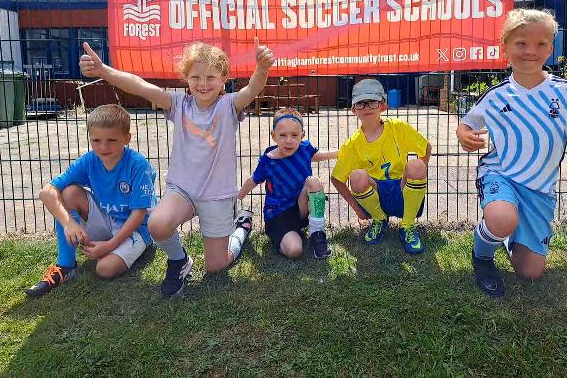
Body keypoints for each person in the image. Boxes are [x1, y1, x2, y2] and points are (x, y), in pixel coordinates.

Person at [79, 39, 275, 297]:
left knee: (216, 266)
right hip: (182, 190)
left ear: (224, 79)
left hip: (217, 195)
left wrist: (261, 68)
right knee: (157, 224)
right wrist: (104, 71)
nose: (203, 84)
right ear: (186, 78)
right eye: (195, 77)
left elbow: (252, 90)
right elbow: (141, 86)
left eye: (211, 77)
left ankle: (242, 229)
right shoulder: (178, 104)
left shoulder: (229, 105)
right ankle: (178, 260)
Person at [457, 8, 567, 298]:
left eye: (540, 44)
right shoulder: (496, 95)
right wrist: (465, 136)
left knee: (530, 272)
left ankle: (507, 235)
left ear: (550, 49)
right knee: (501, 218)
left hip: (540, 188)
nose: (530, 51)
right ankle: (483, 256)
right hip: (501, 174)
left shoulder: (565, 92)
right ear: (506, 47)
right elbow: (467, 124)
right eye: (521, 43)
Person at [26, 104, 157, 298]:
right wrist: (68, 222)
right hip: (106, 218)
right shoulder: (89, 160)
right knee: (69, 193)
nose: (103, 147)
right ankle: (66, 266)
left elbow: (138, 214)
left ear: (127, 139)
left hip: (136, 227)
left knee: (104, 269)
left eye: (112, 140)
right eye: (96, 140)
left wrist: (110, 245)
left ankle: (140, 246)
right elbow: (47, 192)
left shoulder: (138, 165)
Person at [331, 79, 431, 254]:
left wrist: (413, 178)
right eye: (360, 103)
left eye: (372, 101)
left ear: (383, 106)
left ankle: (407, 226)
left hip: (401, 189)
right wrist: (355, 207)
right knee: (357, 176)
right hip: (377, 194)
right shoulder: (352, 144)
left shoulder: (399, 128)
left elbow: (426, 148)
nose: (367, 107)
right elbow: (337, 178)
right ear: (353, 110)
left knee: (416, 166)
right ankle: (379, 219)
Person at [238, 108, 336, 259]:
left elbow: (317, 156)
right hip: (278, 215)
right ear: (273, 136)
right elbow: (252, 180)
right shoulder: (268, 161)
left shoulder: (304, 149)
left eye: (294, 135)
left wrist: (341, 152)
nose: (289, 140)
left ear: (302, 136)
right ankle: (287, 235)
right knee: (294, 250)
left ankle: (318, 235)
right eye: (283, 135)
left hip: (300, 208)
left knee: (313, 182)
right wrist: (238, 196)